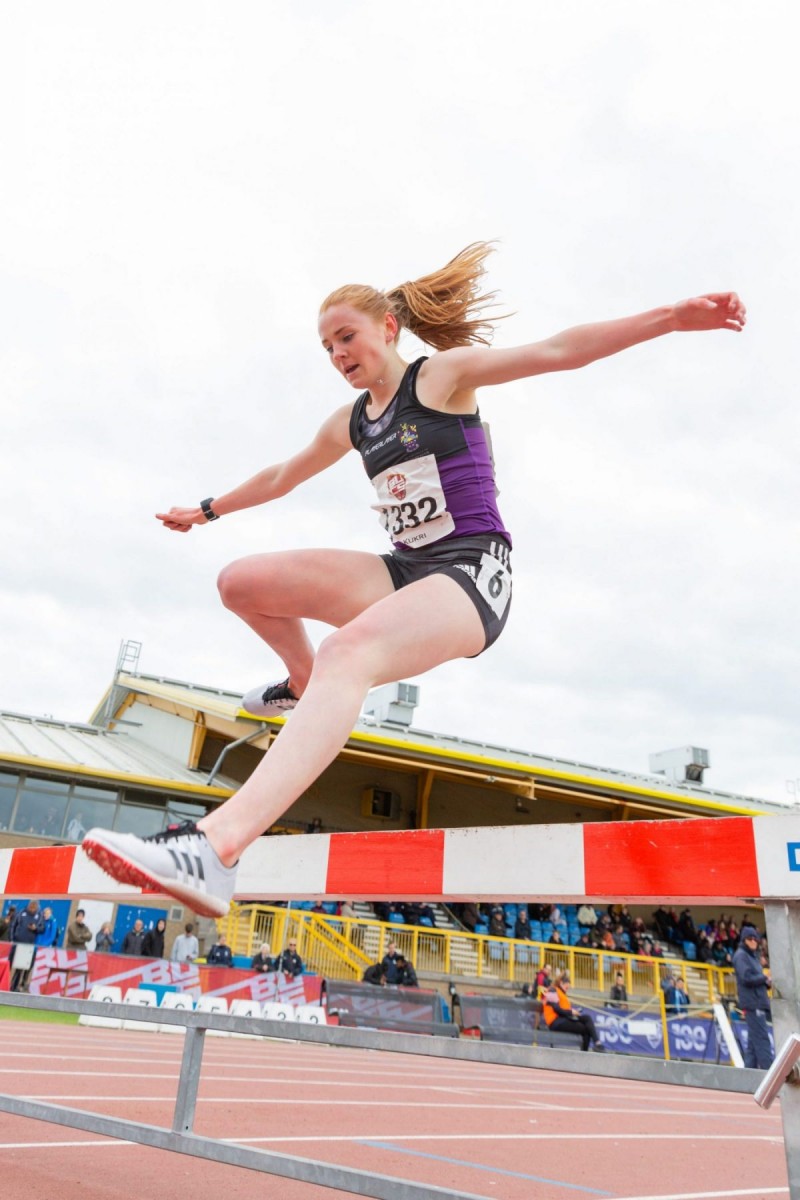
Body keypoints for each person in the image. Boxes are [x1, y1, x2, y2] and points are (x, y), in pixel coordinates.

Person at [81, 244, 746, 917]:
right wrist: (208, 508)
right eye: (327, 348)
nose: (339, 355)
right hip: (405, 570)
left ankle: (215, 847)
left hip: (471, 572)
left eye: (347, 337)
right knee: (241, 583)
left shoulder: (440, 379)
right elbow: (283, 475)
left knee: (352, 651)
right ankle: (305, 680)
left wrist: (671, 317)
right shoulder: (352, 422)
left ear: (388, 328)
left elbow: (556, 350)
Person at [733, 925, 774, 1069]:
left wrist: (767, 982)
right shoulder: (741, 956)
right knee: (762, 1041)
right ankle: (770, 1075)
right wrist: (764, 978)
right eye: (750, 939)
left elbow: (755, 978)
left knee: (752, 1046)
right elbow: (746, 977)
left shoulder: (752, 957)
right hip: (753, 1004)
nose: (754, 942)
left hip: (758, 1002)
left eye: (755, 939)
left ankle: (748, 1077)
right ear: (744, 940)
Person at [541, 970, 604, 1052]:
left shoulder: (562, 993)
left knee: (587, 1018)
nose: (567, 988)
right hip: (555, 1022)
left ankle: (597, 1043)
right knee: (586, 1029)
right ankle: (585, 1053)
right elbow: (557, 1009)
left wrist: (573, 1012)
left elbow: (563, 1010)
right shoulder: (552, 990)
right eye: (566, 986)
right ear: (561, 983)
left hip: (563, 1019)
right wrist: (571, 1012)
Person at [9, 901, 45, 990]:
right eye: (31, 907)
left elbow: (42, 928)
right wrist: (11, 939)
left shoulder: (39, 916)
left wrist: (35, 928)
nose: (32, 909)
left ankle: (13, 987)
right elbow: (13, 925)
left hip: (28, 945)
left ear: (37, 907)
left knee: (20, 966)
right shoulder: (21, 913)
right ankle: (3, 982)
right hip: (17, 942)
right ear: (28, 906)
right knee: (9, 963)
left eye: (34, 907)